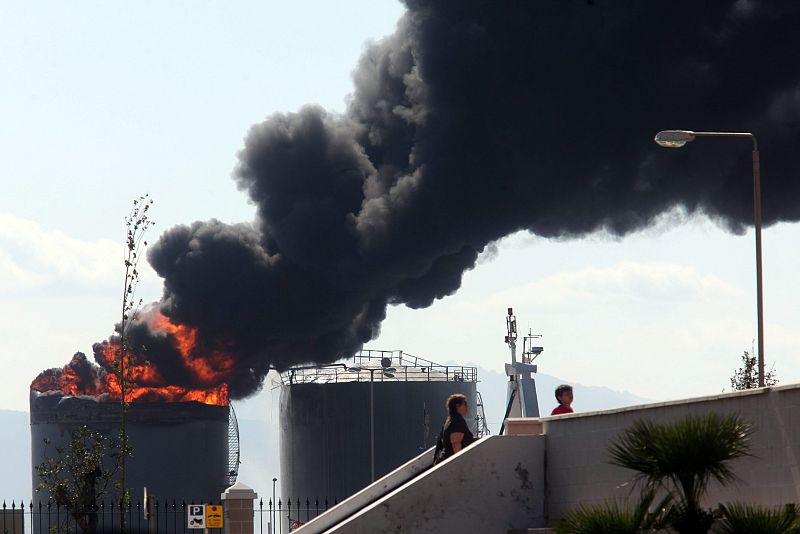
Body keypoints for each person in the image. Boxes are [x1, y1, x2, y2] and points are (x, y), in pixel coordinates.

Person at [433, 393, 475, 464]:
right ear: (457, 406)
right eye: (464, 404)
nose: (467, 407)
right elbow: (456, 442)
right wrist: (459, 463)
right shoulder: (457, 421)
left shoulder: (449, 420)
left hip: (446, 460)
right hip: (452, 462)